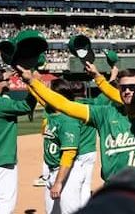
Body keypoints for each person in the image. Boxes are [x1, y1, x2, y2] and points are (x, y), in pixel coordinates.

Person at [18, 67, 135, 200]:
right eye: (123, 87)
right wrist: (33, 82)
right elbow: (64, 105)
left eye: (133, 87)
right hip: (111, 191)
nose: (127, 91)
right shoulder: (105, 114)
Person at [39, 79, 95, 214]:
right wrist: (29, 80)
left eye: (48, 91)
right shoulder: (51, 112)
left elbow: (69, 153)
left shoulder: (68, 120)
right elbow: (38, 94)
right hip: (52, 171)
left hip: (67, 173)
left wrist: (58, 182)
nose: (45, 94)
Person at [0, 68, 36, 214]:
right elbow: (26, 106)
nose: (10, 80)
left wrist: (7, 73)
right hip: (1, 160)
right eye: (6, 79)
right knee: (5, 202)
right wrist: (32, 84)